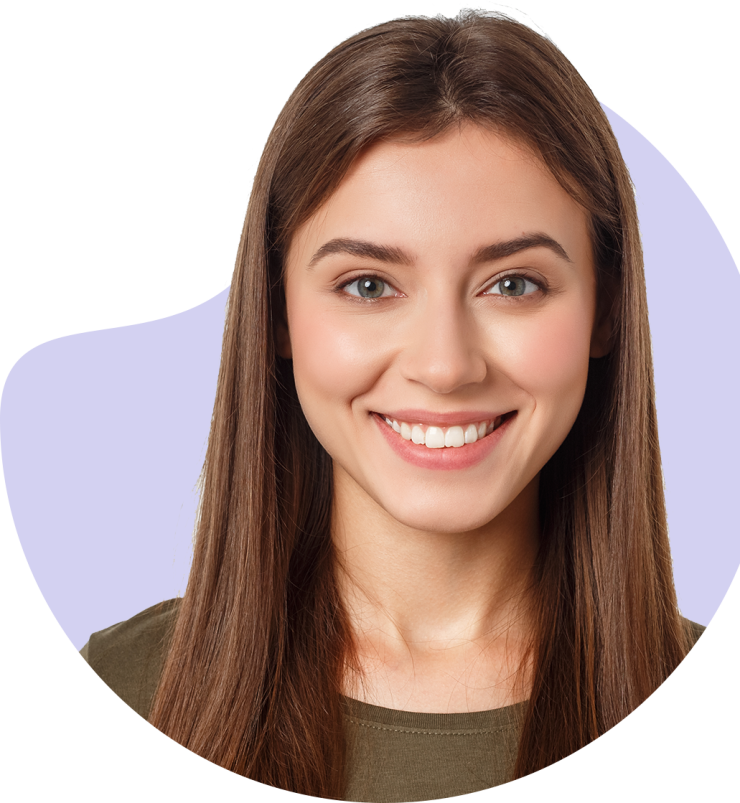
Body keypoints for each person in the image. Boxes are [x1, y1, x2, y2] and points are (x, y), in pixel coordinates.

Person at [78, 7, 706, 800]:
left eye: (514, 284)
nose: (444, 366)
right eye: (368, 285)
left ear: (606, 309)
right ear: (275, 310)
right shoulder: (125, 684)